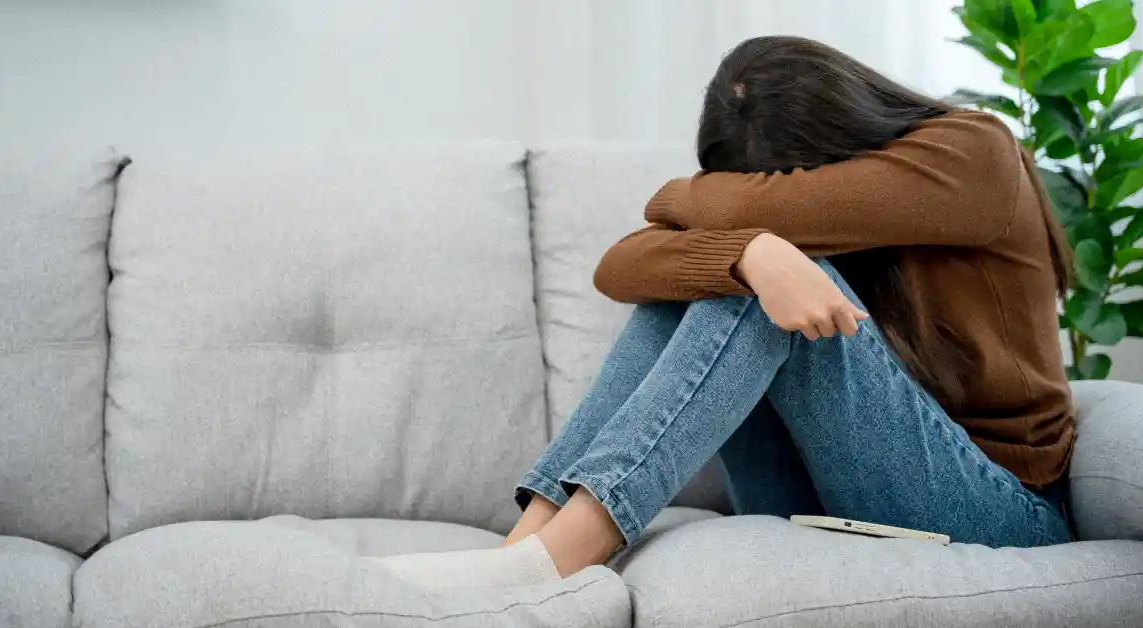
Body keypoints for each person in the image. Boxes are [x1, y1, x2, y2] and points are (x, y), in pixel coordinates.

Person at [373, 35, 1077, 589]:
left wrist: (729, 228)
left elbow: (718, 213)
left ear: (842, 135)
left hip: (997, 510)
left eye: (787, 182)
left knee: (752, 281)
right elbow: (619, 265)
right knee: (722, 275)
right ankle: (528, 546)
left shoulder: (975, 153)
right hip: (829, 490)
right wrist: (752, 255)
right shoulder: (835, 207)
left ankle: (564, 555)